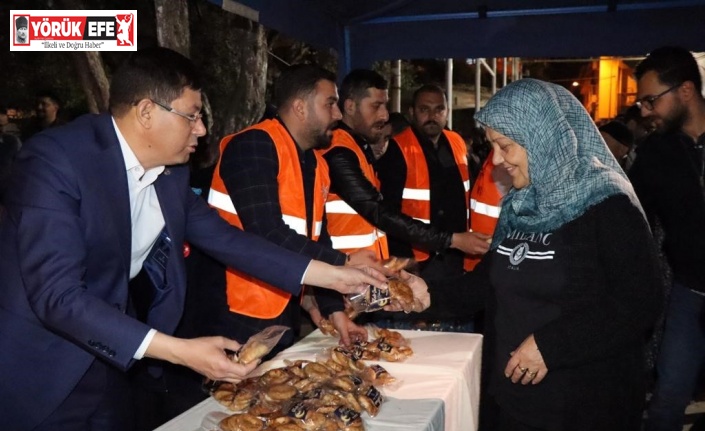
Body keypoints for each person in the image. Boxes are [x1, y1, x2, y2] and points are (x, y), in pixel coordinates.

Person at [0, 47, 387, 431]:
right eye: (193, 116)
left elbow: (228, 240)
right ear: (147, 112)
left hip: (117, 363)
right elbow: (57, 296)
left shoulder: (171, 173)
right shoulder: (55, 161)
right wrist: (180, 351)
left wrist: (336, 274)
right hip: (44, 367)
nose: (202, 130)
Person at [432, 78, 662, 430]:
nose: (496, 160)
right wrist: (423, 296)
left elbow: (638, 302)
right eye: (491, 145)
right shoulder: (521, 203)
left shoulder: (607, 205)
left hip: (581, 406)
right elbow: (489, 283)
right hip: (513, 400)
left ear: (542, 137)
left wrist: (550, 345)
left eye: (505, 146)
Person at [207, 64, 378, 354]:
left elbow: (316, 239)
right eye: (330, 104)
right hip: (235, 310)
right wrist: (345, 263)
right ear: (300, 107)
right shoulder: (254, 145)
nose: (338, 115)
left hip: (281, 306)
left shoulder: (314, 162)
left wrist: (335, 312)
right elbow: (266, 231)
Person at [629, 46, 705, 431]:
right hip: (688, 293)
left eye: (651, 99)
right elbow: (630, 217)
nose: (644, 110)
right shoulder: (654, 153)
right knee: (667, 398)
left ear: (686, 91)